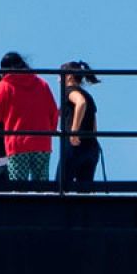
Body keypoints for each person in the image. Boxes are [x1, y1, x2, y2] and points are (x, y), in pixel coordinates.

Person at [0, 52, 58, 182]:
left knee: (18, 185)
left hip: (17, 143)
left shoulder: (4, 86)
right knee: (42, 185)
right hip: (42, 141)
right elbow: (53, 112)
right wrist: (51, 130)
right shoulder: (42, 84)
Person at [58, 60, 101, 189]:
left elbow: (80, 102)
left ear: (69, 76)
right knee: (85, 190)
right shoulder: (88, 95)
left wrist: (74, 132)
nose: (58, 80)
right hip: (91, 146)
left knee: (61, 186)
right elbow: (93, 124)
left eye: (60, 76)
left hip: (74, 146)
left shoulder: (69, 91)